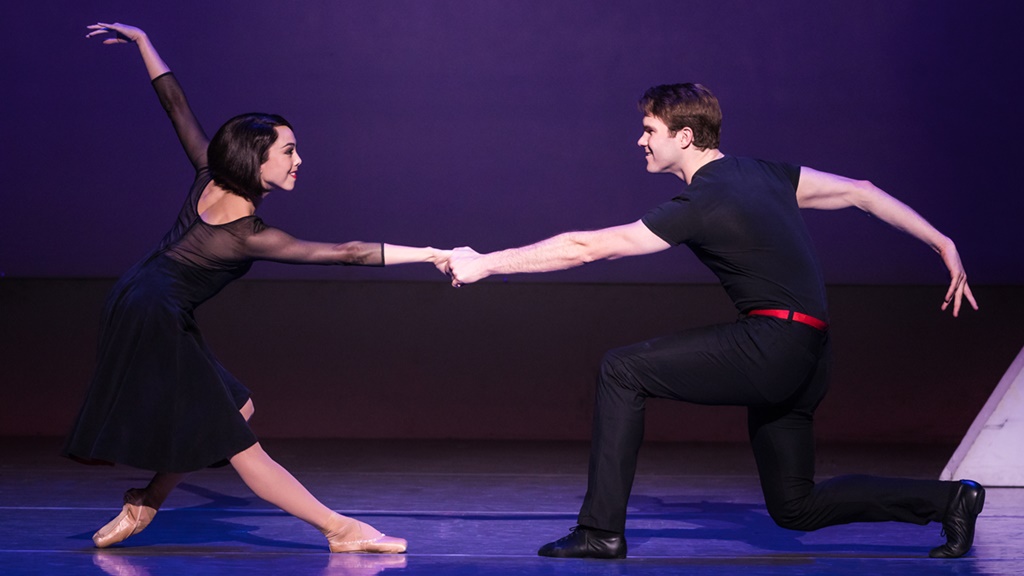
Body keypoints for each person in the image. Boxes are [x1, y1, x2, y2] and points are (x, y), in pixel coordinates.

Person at [446, 83, 984, 559]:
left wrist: (487, 264)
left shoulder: (701, 201)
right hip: (812, 352)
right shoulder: (767, 174)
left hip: (774, 344)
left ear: (683, 136)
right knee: (795, 506)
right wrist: (942, 242)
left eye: (649, 130)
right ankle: (950, 501)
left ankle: (600, 531)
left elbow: (586, 248)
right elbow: (861, 191)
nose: (640, 141)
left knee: (621, 370)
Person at [63, 22, 450, 554]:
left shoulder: (209, 172)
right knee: (239, 442)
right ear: (255, 157)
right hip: (153, 313)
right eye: (288, 151)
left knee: (237, 409)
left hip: (142, 297)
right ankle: (339, 529)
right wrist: (433, 253)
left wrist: (144, 42)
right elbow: (348, 252)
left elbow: (176, 106)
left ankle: (146, 500)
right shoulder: (247, 234)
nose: (298, 161)